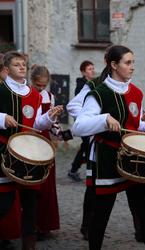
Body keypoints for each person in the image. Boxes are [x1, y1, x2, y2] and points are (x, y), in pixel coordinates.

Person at [72, 45, 145, 250]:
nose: (132, 67)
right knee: (101, 215)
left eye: (133, 62)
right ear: (114, 65)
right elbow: (79, 126)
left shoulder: (136, 92)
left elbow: (135, 124)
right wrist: (104, 119)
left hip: (134, 158)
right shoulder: (99, 93)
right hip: (107, 158)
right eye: (128, 63)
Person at [0, 51, 63, 250]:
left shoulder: (34, 94)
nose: (21, 67)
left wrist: (49, 117)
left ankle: (29, 245)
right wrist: (2, 118)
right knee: (3, 203)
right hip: (4, 150)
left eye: (23, 64)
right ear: (7, 69)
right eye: (16, 64)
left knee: (31, 204)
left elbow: (36, 122)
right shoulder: (0, 90)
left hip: (29, 153)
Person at [30, 65, 60, 240]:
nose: (41, 88)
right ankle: (29, 223)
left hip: (45, 141)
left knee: (47, 184)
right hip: (29, 139)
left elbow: (53, 123)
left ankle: (44, 225)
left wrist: (59, 133)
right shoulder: (26, 93)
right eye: (38, 84)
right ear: (32, 80)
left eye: (44, 85)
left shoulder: (50, 97)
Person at [68, 60, 95, 182]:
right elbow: (78, 104)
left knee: (86, 145)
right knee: (87, 145)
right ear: (83, 72)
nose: (92, 71)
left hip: (90, 119)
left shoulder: (92, 84)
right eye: (89, 69)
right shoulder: (81, 86)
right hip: (83, 120)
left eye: (92, 68)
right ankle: (86, 170)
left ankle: (74, 169)